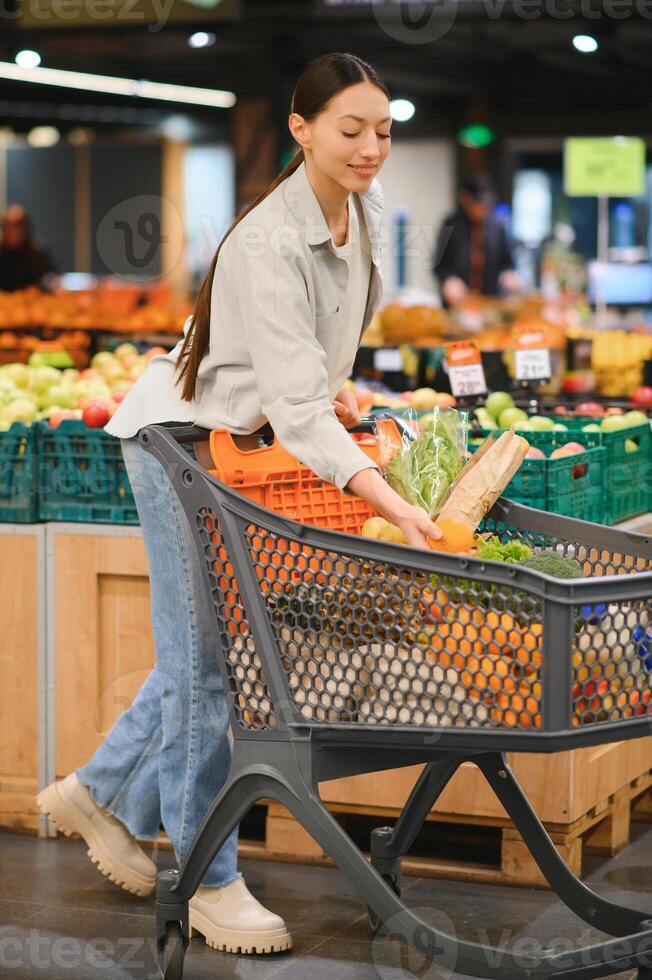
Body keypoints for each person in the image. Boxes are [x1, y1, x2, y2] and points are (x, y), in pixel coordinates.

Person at [36, 52, 443, 957]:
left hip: (247, 446)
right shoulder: (265, 240)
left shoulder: (364, 210)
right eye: (350, 129)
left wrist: (333, 388)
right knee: (205, 671)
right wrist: (392, 498)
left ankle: (98, 793)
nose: (371, 146)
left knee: (207, 651)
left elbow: (307, 365)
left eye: (383, 128)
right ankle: (207, 878)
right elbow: (293, 406)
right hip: (180, 445)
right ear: (299, 131)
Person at [433, 174, 519, 307]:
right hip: (457, 303)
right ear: (464, 199)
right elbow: (439, 265)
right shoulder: (450, 224)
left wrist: (507, 275)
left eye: (484, 203)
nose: (480, 208)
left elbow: (507, 262)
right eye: (475, 202)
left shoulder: (497, 227)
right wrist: (448, 280)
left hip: (490, 301)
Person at [0, 204, 57, 291]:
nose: (11, 232)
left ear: (25, 229)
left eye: (16, 227)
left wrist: (41, 286)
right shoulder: (2, 253)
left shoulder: (37, 252)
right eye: (8, 227)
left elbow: (51, 277)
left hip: (35, 300)